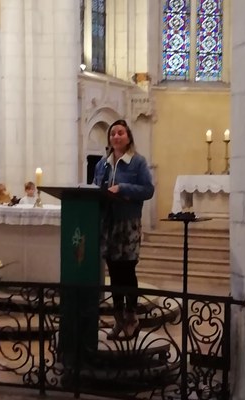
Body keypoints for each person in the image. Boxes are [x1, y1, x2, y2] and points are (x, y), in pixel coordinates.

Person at [93, 119, 154, 340]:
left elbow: (148, 190)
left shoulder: (137, 162)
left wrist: (123, 188)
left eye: (120, 133)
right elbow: (96, 188)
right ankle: (118, 319)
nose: (116, 136)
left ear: (128, 137)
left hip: (128, 224)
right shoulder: (102, 164)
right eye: (113, 134)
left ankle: (131, 318)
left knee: (127, 272)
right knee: (113, 273)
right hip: (108, 223)